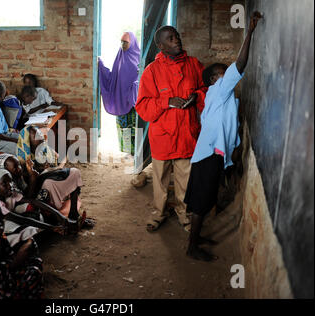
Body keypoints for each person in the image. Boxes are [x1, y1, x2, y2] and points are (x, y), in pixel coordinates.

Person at [185, 12, 262, 261]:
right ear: (214, 80)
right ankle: (192, 248)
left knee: (205, 201)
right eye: (222, 72)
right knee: (201, 203)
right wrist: (249, 33)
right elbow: (239, 66)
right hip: (208, 157)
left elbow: (228, 129)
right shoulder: (219, 91)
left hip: (209, 156)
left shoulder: (220, 99)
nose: (227, 74)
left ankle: (195, 238)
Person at [135, 26, 207, 233]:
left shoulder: (194, 65)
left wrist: (197, 97)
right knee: (160, 180)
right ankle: (158, 213)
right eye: (171, 38)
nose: (177, 40)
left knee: (185, 180)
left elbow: (206, 89)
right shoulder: (152, 71)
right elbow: (143, 107)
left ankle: (184, 214)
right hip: (163, 137)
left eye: (177, 36)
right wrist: (167, 102)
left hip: (187, 134)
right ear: (161, 46)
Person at [0, 168, 68, 247]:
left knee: (36, 216)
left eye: (10, 182)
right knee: (29, 230)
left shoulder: (9, 194)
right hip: (0, 227)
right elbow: (21, 219)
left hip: (10, 220)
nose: (10, 185)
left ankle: (50, 230)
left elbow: (32, 201)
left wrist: (57, 213)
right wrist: (51, 228)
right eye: (4, 184)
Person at [98, 31, 141, 155]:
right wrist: (101, 66)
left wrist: (135, 86)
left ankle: (137, 153)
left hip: (134, 100)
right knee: (124, 126)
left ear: (132, 43)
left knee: (135, 126)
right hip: (120, 98)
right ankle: (128, 151)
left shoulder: (138, 57)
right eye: (121, 42)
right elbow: (113, 77)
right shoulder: (120, 57)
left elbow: (143, 77)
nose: (123, 44)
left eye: (126, 42)